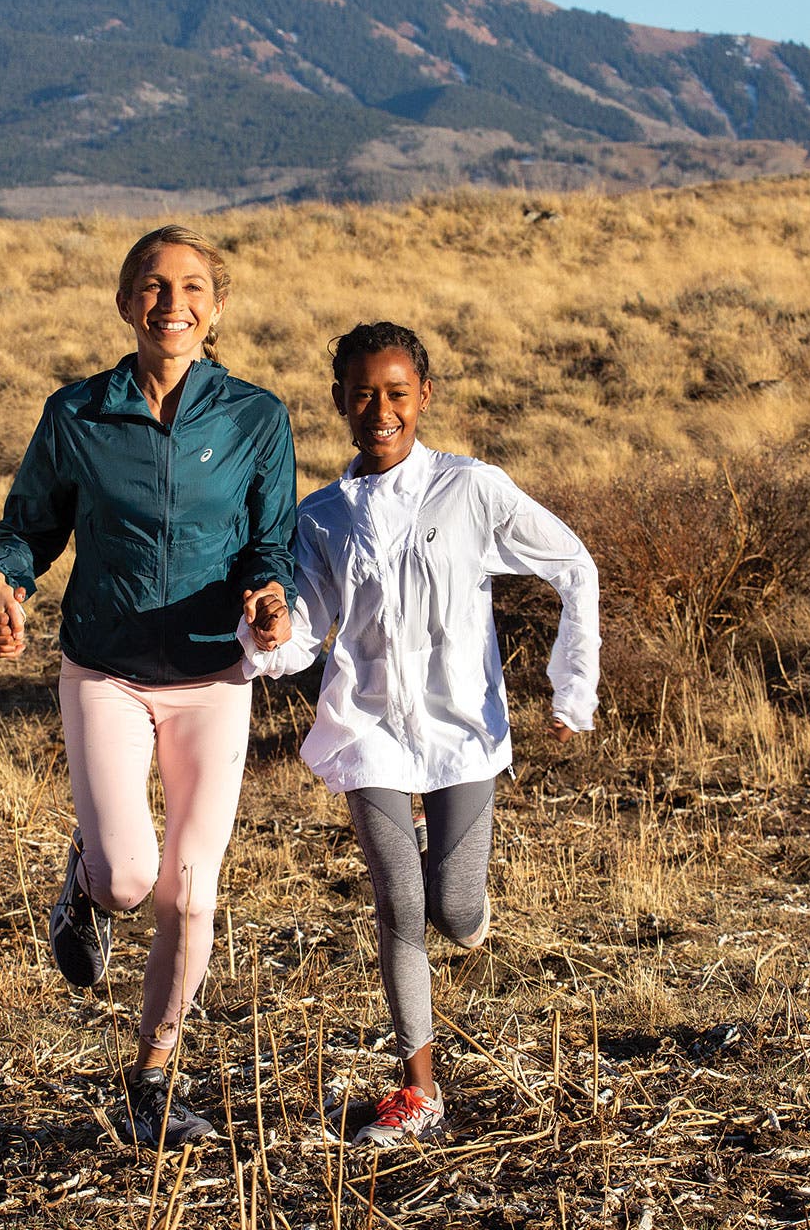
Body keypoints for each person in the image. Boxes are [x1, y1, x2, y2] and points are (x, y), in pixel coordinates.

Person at [0, 224, 295, 1148]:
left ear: (217, 307)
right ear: (124, 303)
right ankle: (82, 879)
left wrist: (270, 599)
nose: (172, 304)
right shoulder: (76, 414)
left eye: (192, 287)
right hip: (105, 671)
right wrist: (4, 579)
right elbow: (28, 528)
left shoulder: (253, 418)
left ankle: (152, 1077)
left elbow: (269, 546)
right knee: (127, 880)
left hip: (211, 674)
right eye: (152, 286)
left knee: (190, 895)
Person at [243, 321, 600, 1147]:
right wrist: (268, 634)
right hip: (365, 724)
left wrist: (570, 687)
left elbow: (571, 564)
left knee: (450, 906)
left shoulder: (470, 488)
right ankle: (418, 1089)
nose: (379, 410)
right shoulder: (321, 516)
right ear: (337, 400)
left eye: (396, 393)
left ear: (423, 397)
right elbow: (308, 631)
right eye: (362, 394)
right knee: (397, 900)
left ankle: (466, 911)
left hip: (461, 728)